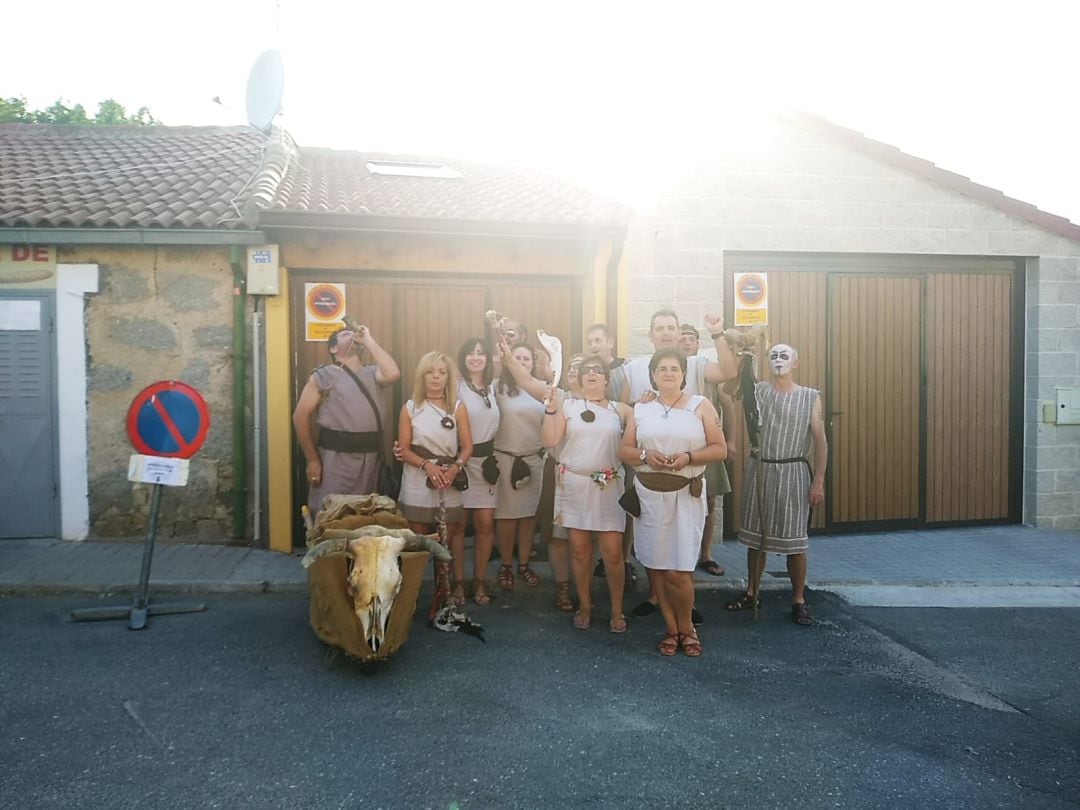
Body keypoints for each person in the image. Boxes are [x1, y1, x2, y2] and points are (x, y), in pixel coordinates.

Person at [618, 309, 737, 619]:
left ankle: (687, 603)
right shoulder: (635, 368)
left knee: (685, 540)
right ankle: (656, 597)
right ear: (651, 334)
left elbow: (729, 371)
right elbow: (625, 410)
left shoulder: (695, 362)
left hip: (690, 461)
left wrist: (718, 334)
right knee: (655, 539)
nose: (667, 332)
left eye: (672, 327)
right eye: (660, 328)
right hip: (651, 469)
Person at [725, 343, 827, 626]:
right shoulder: (757, 391)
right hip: (760, 469)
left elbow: (820, 440)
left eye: (784, 356)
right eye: (774, 356)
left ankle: (798, 600)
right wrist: (744, 360)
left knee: (796, 542)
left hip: (794, 472)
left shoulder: (810, 397)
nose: (778, 360)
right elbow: (728, 390)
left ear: (795, 364)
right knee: (757, 540)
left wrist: (818, 480)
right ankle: (751, 592)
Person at [542, 359, 632, 632]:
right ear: (578, 380)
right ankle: (585, 604)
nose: (592, 373)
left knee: (613, 553)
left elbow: (640, 436)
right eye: (586, 371)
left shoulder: (622, 410)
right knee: (580, 551)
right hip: (575, 486)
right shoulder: (566, 406)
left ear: (607, 380)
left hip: (609, 487)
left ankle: (617, 610)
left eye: (598, 370)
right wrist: (550, 408)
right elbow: (550, 440)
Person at [293, 324, 401, 514]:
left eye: (353, 333)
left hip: (370, 461)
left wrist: (368, 340)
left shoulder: (373, 373)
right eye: (345, 334)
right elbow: (300, 416)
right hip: (335, 460)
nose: (352, 335)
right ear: (333, 349)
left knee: (363, 517)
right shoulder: (323, 376)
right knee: (331, 514)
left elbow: (393, 373)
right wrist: (312, 460)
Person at [397, 352, 474, 603]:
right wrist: (426, 465)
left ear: (448, 377)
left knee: (447, 540)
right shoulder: (410, 408)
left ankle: (445, 592)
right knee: (417, 543)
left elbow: (467, 447)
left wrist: (455, 468)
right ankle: (411, 594)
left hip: (449, 481)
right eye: (431, 372)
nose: (436, 377)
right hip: (418, 481)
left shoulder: (457, 408)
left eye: (441, 372)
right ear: (422, 375)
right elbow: (404, 449)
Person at [679, 322, 736, 578]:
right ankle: (680, 555)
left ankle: (706, 554)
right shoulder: (667, 368)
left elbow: (728, 403)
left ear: (697, 343)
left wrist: (731, 440)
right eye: (682, 338)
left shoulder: (705, 369)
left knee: (710, 501)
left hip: (707, 446)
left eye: (691, 338)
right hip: (677, 449)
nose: (686, 342)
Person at [492, 339, 548, 590]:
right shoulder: (497, 388)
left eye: (527, 358)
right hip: (505, 460)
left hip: (534, 460)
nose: (523, 362)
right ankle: (505, 565)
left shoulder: (541, 390)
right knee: (507, 518)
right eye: (518, 358)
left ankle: (524, 565)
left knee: (528, 518)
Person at [457, 337, 500, 605]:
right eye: (470, 353)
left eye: (481, 353)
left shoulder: (495, 388)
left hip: (486, 464)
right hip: (462, 461)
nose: (476, 357)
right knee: (459, 526)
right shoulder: (457, 388)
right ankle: (458, 583)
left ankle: (480, 580)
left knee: (485, 525)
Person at [542, 353, 583, 612]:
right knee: (559, 537)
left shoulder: (606, 404)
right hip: (559, 473)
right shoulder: (558, 398)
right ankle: (562, 587)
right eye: (571, 366)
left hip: (592, 479)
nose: (574, 371)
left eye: (580, 367)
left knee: (585, 539)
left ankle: (584, 588)